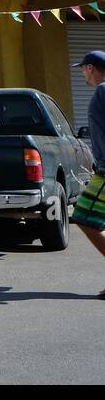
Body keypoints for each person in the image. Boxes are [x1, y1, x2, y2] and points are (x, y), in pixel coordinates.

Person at [70, 50, 105, 296]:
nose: (82, 72)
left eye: (83, 68)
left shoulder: (103, 91)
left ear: (91, 68)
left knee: (84, 217)